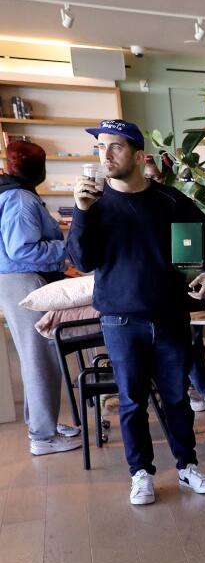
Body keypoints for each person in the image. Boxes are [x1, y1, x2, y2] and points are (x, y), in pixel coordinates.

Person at [67, 119, 205, 505]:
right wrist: (82, 210)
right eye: (99, 148)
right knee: (132, 400)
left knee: (176, 398)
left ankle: (186, 465)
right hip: (120, 319)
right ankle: (141, 473)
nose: (105, 155)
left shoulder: (170, 200)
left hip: (170, 315)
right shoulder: (96, 206)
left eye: (114, 147)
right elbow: (82, 260)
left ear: (139, 156)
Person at [0, 140, 82, 455]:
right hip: (25, 282)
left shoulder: (12, 193)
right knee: (40, 359)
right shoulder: (20, 199)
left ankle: (41, 423)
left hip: (17, 282)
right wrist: (68, 247)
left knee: (34, 357)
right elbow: (23, 251)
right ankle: (43, 436)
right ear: (39, 169)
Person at [143, 152, 205, 415]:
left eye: (156, 175)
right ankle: (201, 391)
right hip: (146, 296)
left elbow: (202, 244)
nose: (153, 180)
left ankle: (201, 391)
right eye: (148, 175)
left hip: (183, 287)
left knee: (191, 341)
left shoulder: (175, 202)